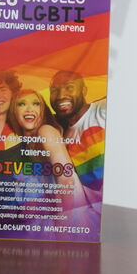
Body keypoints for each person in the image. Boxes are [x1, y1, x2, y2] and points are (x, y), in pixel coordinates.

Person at [49, 70, 106, 206]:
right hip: (92, 218)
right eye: (55, 90)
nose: (61, 95)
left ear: (84, 91)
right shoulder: (59, 137)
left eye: (69, 87)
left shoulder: (102, 110)